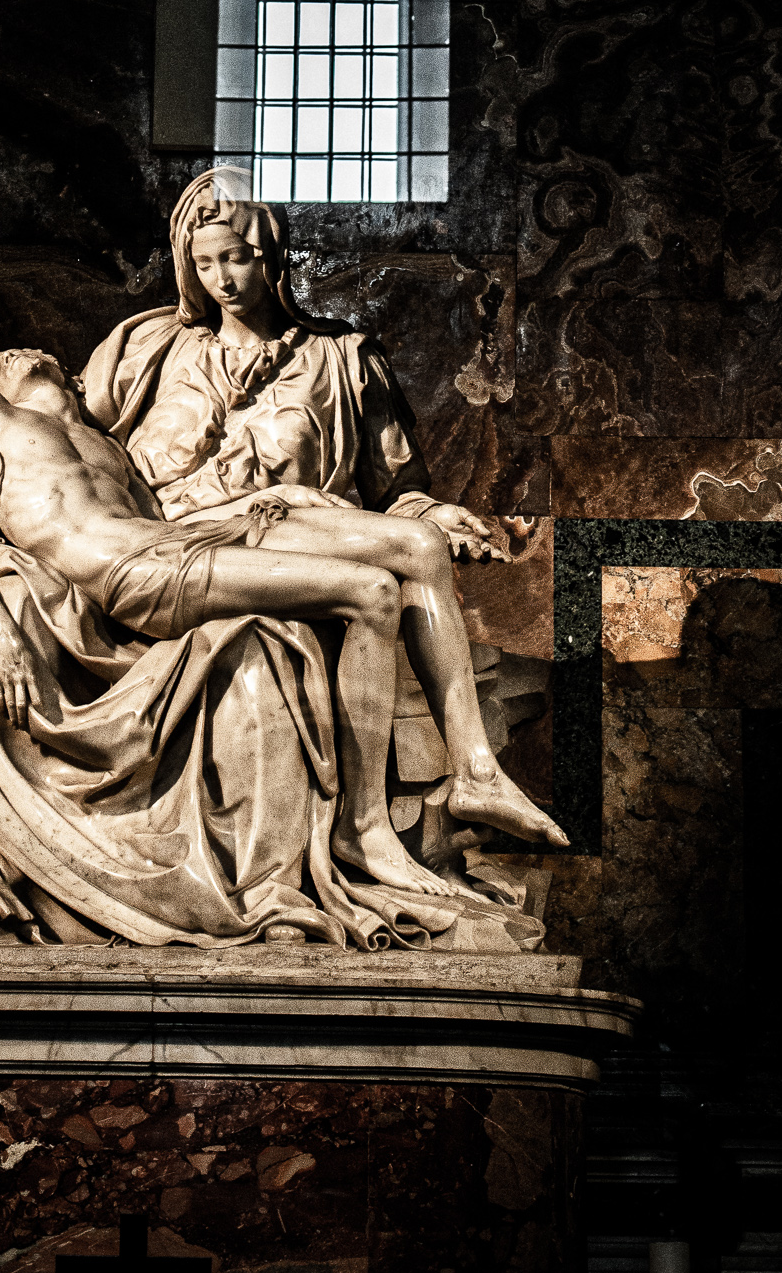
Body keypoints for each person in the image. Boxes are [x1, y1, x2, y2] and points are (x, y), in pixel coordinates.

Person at [0, 347, 561, 896]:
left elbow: (166, 520)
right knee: (369, 592)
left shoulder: (108, 448)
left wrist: (281, 497)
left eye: (39, 358)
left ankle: (478, 772)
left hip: (178, 543)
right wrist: (2, 632)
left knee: (418, 546)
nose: (23, 356)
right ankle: (363, 828)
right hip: (130, 575)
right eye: (7, 356)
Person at [82, 167, 567, 852]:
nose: (222, 278)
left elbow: (395, 488)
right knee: (403, 557)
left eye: (238, 259)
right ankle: (466, 777)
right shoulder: (144, 349)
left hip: (287, 537)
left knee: (421, 546)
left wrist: (429, 513)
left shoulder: (342, 361)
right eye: (205, 262)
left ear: (273, 257)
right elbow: (56, 436)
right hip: (171, 547)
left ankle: (476, 769)